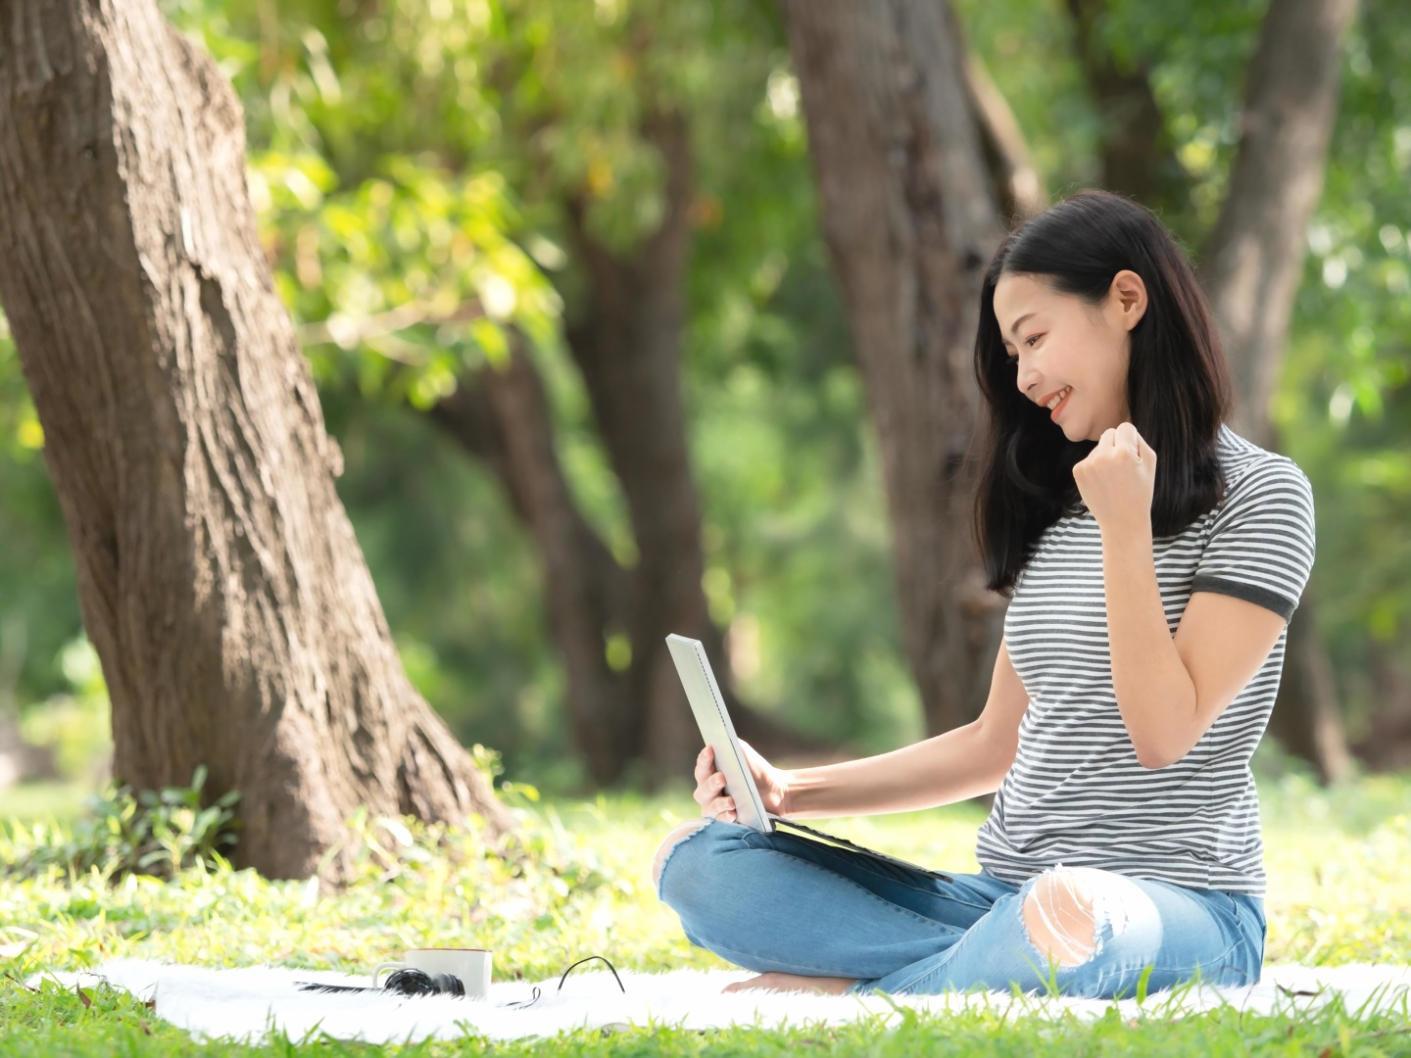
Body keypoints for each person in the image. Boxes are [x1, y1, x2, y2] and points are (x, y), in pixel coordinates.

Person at [649, 189, 1317, 999]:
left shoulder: (1262, 497)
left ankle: (863, 993)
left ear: (1127, 299)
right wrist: (788, 790)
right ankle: (966, 969)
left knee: (1071, 912)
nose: (1025, 377)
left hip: (1175, 906)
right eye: (1010, 355)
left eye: (1033, 339)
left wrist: (1125, 532)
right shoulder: (1062, 506)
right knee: (699, 866)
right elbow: (990, 747)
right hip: (995, 901)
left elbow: (1162, 733)